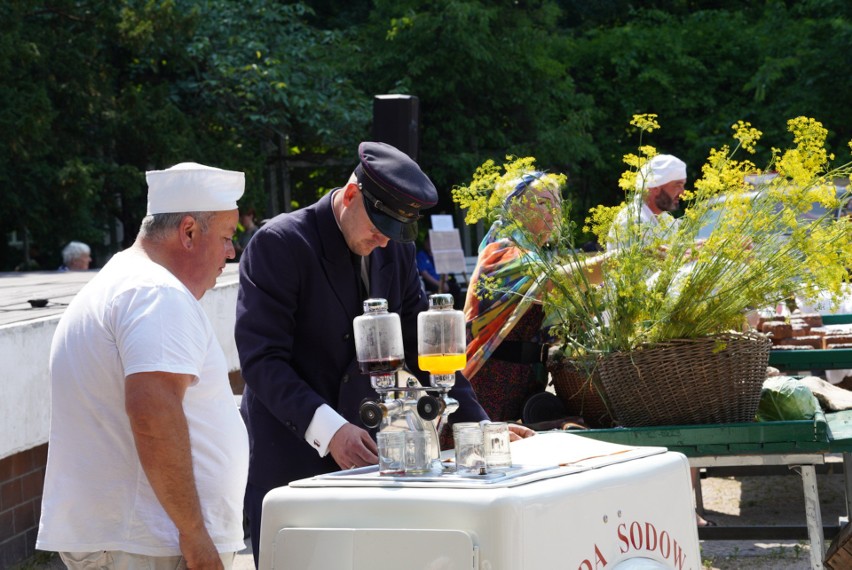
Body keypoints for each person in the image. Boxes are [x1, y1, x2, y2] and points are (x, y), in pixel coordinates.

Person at [235, 141, 535, 564]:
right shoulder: (280, 243)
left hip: (367, 458)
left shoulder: (395, 249)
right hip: (292, 455)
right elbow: (262, 361)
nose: (381, 242)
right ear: (352, 195)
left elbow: (421, 343)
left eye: (393, 234)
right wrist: (330, 429)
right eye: (377, 228)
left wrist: (479, 427)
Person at [37, 162, 249, 569]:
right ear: (188, 232)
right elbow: (153, 411)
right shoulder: (155, 292)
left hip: (137, 541)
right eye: (225, 237)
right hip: (151, 546)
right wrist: (195, 536)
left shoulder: (125, 282)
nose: (231, 252)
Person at [463, 172, 608, 423]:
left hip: (527, 384)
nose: (554, 212)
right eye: (543, 204)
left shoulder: (537, 258)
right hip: (491, 383)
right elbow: (549, 283)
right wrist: (614, 262)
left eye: (557, 205)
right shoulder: (499, 252)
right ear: (516, 210)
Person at [606, 154, 687, 251]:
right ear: (656, 187)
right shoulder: (630, 221)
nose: (683, 193)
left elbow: (670, 255)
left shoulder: (666, 219)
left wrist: (691, 250)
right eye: (678, 186)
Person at [416, 233, 463, 301]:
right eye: (428, 241)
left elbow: (444, 269)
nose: (430, 244)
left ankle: (455, 309)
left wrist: (444, 282)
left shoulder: (437, 254)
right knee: (442, 289)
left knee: (455, 288)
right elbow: (424, 274)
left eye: (431, 242)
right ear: (425, 242)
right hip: (430, 282)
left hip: (442, 281)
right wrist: (439, 284)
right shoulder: (421, 256)